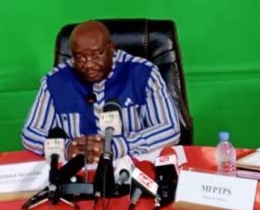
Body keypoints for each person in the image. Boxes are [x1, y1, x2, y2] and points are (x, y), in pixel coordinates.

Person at [21, 21, 181, 162]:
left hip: (132, 170)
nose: (88, 64)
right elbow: (30, 133)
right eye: (79, 57)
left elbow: (170, 129)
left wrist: (119, 145)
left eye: (96, 54)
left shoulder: (144, 74)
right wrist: (66, 147)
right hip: (76, 173)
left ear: (111, 49)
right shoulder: (55, 82)